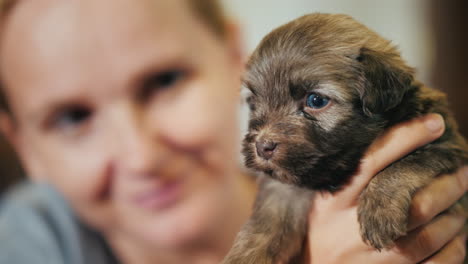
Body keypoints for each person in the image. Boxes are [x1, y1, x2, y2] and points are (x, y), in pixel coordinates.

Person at [0, 0, 466, 263]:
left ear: (232, 58)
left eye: (164, 81)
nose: (140, 156)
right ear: (23, 147)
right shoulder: (27, 242)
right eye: (72, 117)